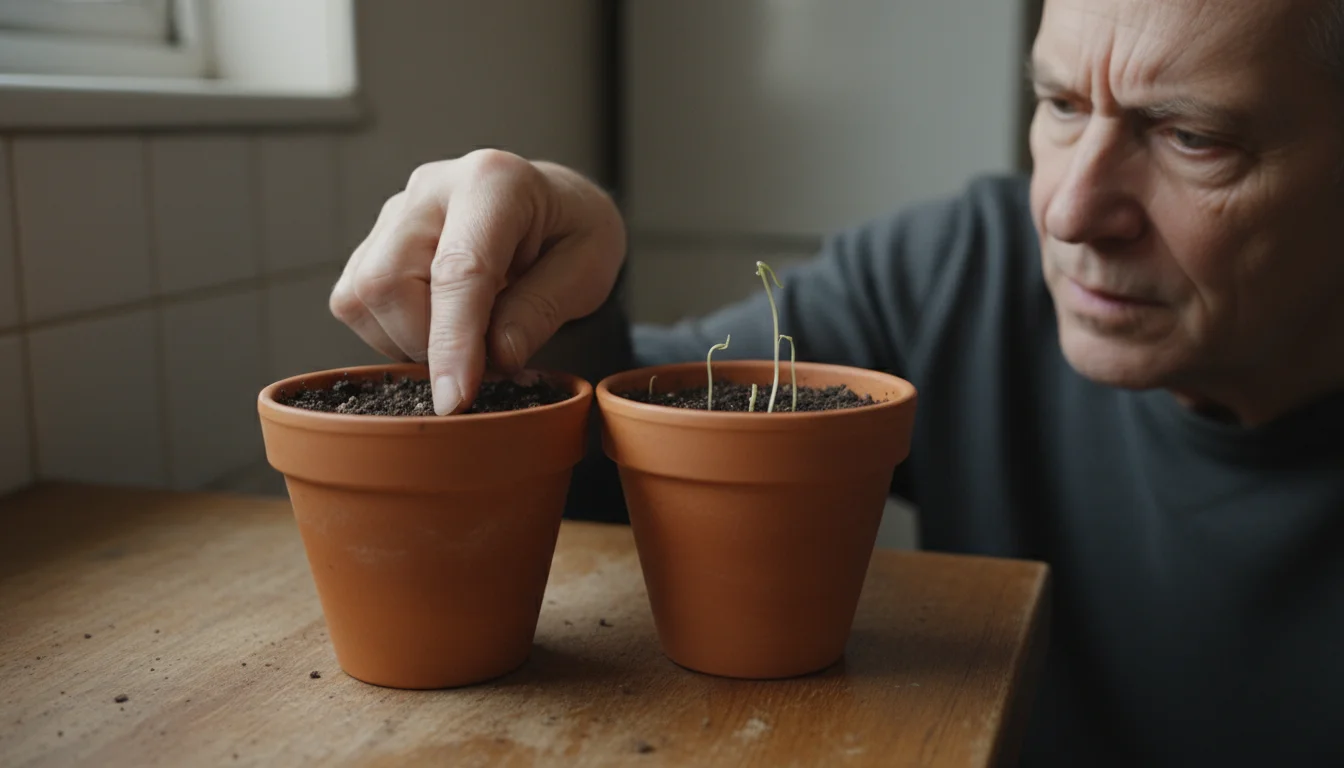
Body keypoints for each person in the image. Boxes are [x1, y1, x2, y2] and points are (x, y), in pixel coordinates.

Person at [329, 0, 1344, 764]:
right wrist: (561, 270)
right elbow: (619, 469)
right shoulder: (960, 272)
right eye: (1061, 104)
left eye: (1193, 137)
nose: (1071, 212)